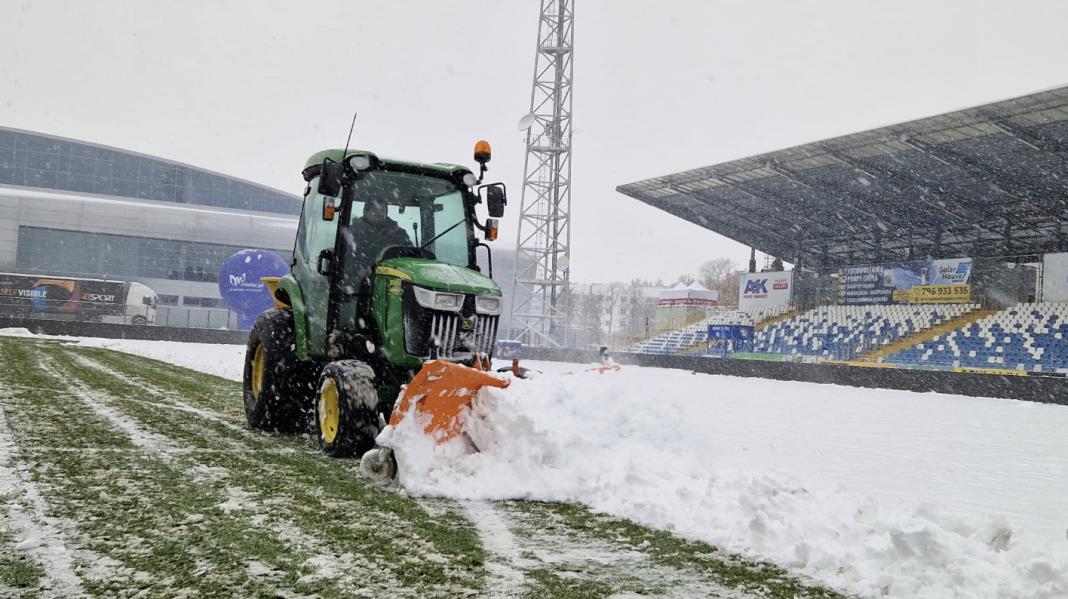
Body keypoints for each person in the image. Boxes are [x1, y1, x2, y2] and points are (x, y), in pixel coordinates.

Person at [348, 199, 412, 280]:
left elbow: (409, 255)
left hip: (393, 278)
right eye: (375, 209)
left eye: (383, 210)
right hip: (359, 282)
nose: (379, 213)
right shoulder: (353, 232)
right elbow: (346, 258)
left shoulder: (399, 233)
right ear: (366, 212)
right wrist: (359, 271)